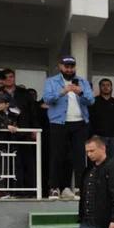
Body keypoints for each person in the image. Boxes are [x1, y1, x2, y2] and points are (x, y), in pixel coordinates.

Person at [42, 56, 94, 200]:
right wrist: (62, 91)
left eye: (72, 66)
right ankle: (54, 188)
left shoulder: (82, 82)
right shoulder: (52, 81)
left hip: (79, 123)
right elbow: (47, 99)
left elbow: (91, 100)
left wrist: (80, 92)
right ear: (60, 66)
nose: (69, 69)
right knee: (57, 155)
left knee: (79, 157)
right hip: (59, 123)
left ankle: (79, 188)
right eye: (66, 66)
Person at [89, 78, 114, 163]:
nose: (106, 87)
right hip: (98, 137)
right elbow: (90, 119)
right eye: (103, 85)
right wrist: (93, 134)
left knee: (113, 161)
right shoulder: (93, 102)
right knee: (98, 160)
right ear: (100, 87)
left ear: (111, 87)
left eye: (108, 85)